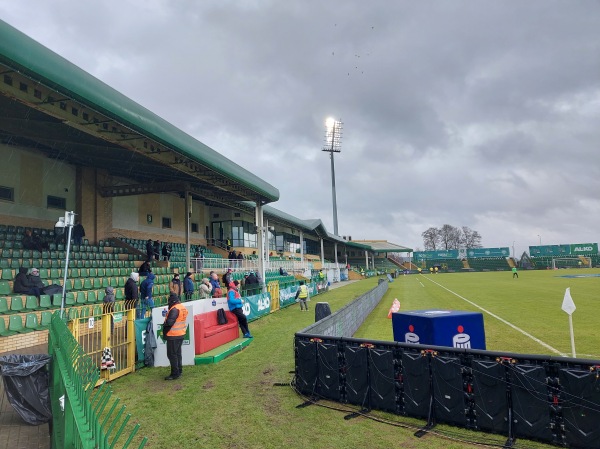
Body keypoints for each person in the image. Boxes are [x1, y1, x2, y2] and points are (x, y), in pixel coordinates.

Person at [162, 293, 188, 380]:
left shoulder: (175, 309)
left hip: (173, 335)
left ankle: (175, 373)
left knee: (172, 355)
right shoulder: (182, 307)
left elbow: (169, 323)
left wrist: (165, 332)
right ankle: (179, 370)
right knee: (177, 354)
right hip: (181, 333)